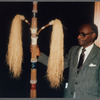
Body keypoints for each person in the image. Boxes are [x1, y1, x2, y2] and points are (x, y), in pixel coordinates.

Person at [31, 23, 100, 98]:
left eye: (83, 34)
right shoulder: (73, 51)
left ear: (93, 35)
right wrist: (39, 54)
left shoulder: (98, 54)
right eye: (79, 34)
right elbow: (59, 65)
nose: (78, 37)